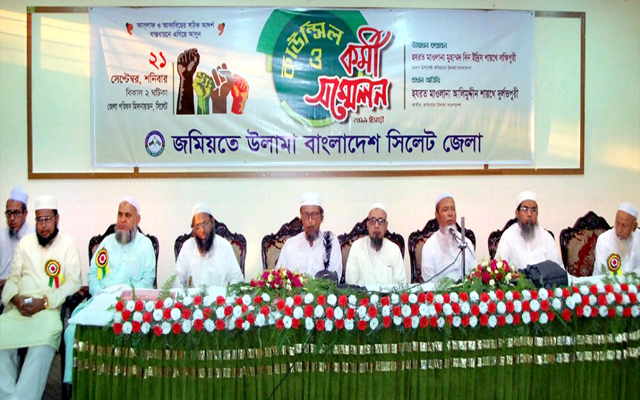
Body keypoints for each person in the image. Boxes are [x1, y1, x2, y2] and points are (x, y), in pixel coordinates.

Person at [63, 197, 155, 384]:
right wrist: (100, 294)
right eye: (120, 215)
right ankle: (80, 383)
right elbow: (93, 273)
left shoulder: (145, 245)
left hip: (129, 305)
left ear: (137, 219)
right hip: (102, 300)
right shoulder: (106, 243)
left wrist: (126, 298)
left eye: (128, 215)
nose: (122, 220)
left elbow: (147, 281)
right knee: (72, 331)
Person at [0, 195, 81, 400]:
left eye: (47, 219)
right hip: (19, 309)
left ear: (57, 219)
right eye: (39, 220)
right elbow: (13, 278)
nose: (43, 226)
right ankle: (7, 395)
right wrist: (16, 300)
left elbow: (73, 282)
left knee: (43, 341)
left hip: (48, 311)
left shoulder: (68, 244)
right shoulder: (25, 243)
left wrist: (44, 302)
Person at [173, 203, 244, 287]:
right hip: (193, 295)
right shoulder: (187, 247)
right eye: (197, 226)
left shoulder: (225, 246)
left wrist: (228, 294)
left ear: (212, 222)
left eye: (206, 224)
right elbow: (177, 278)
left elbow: (237, 279)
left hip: (219, 295)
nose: (202, 230)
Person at [276, 192, 342, 281]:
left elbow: (335, 279)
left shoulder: (331, 242)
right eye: (306, 215)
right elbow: (278, 277)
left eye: (314, 214)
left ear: (321, 217)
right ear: (301, 217)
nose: (310, 221)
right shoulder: (290, 245)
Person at [495, 191, 563, 269]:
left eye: (533, 210)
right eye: (525, 209)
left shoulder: (546, 237)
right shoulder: (508, 236)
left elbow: (558, 268)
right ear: (517, 213)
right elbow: (499, 268)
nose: (529, 214)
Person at [345, 203, 406, 285]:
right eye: (372, 221)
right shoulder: (357, 247)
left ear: (386, 225)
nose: (376, 225)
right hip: (362, 293)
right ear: (367, 225)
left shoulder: (394, 249)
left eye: (381, 221)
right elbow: (350, 283)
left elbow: (402, 284)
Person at [421, 193, 476, 283]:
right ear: (437, 215)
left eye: (453, 209)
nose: (450, 214)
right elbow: (429, 281)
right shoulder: (429, 247)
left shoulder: (466, 243)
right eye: (445, 210)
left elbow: (475, 273)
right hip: (441, 290)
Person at [0, 186, 35, 295]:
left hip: (23, 290)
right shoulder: (1, 236)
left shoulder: (34, 235)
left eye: (16, 213)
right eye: (8, 213)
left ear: (25, 213)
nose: (11, 218)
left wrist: (10, 284)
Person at [594, 203, 640, 275]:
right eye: (617, 223)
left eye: (624, 225)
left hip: (633, 280)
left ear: (634, 227)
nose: (619, 230)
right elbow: (604, 272)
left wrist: (632, 276)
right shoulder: (603, 240)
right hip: (605, 281)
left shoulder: (638, 237)